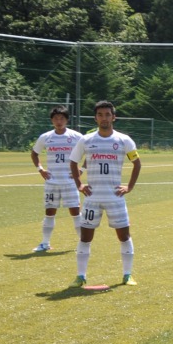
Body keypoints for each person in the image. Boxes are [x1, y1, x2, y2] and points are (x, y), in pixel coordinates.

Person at [67, 100, 142, 287]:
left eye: (107, 114)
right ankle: (80, 276)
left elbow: (137, 163)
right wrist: (79, 184)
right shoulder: (86, 140)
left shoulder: (124, 140)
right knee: (85, 238)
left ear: (113, 117)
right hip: (92, 198)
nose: (104, 118)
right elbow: (73, 162)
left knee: (124, 236)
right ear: (95, 118)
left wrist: (129, 187)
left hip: (115, 198)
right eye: (100, 115)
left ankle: (127, 275)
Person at [30, 106, 82, 252]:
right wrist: (41, 169)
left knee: (76, 213)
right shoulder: (45, 137)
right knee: (49, 213)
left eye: (62, 118)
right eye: (56, 118)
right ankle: (45, 243)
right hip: (52, 182)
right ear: (52, 120)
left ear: (67, 120)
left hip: (70, 182)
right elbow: (34, 153)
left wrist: (82, 170)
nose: (59, 121)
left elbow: (90, 152)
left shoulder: (76, 136)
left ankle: (83, 242)